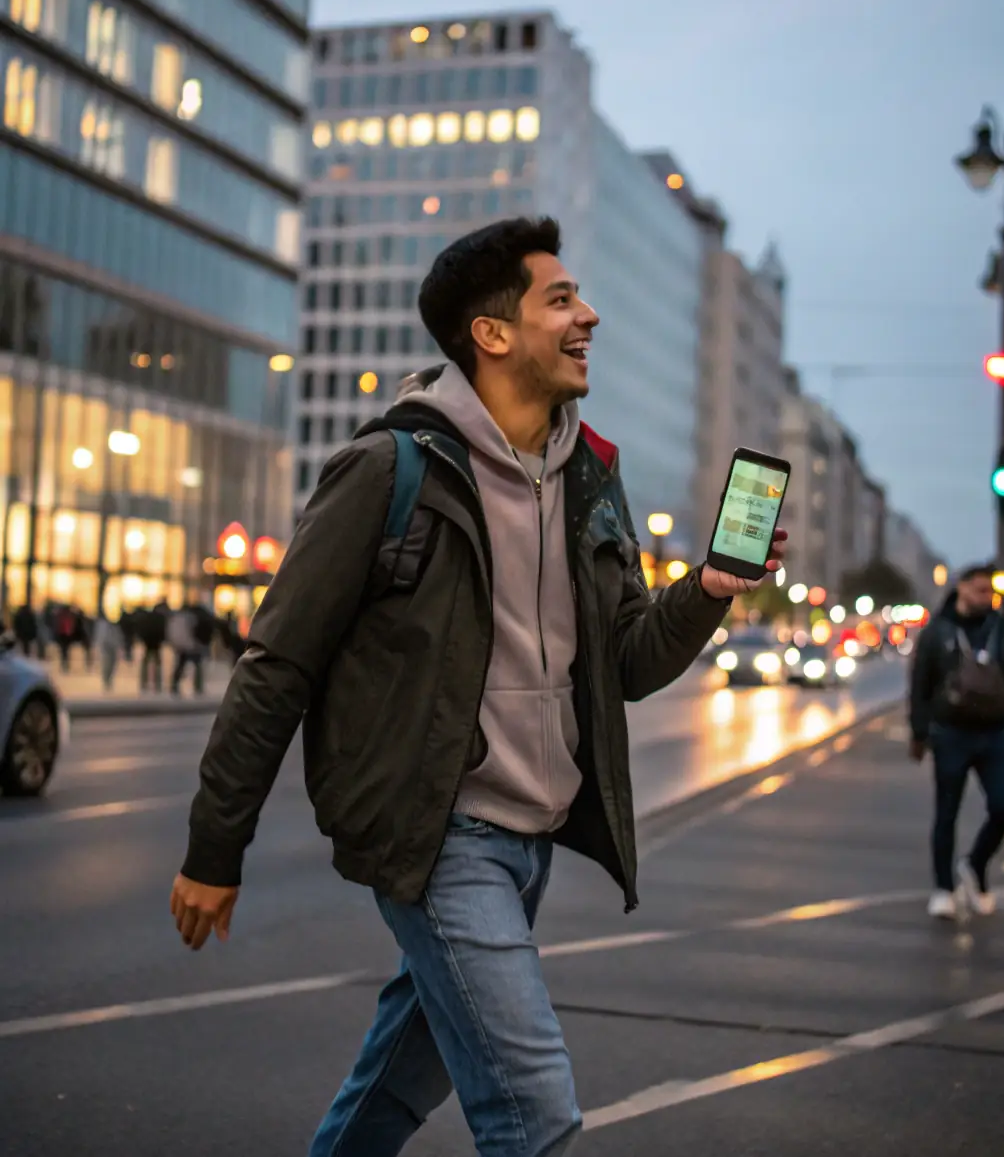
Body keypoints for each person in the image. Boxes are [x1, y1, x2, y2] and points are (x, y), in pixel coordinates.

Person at [170, 217, 786, 1157]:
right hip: (439, 835)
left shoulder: (589, 477)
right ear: (490, 334)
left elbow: (624, 662)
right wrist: (217, 846)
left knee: (391, 1093)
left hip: (528, 845)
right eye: (561, 299)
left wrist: (705, 591)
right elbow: (278, 661)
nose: (590, 316)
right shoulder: (388, 468)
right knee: (535, 1115)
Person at [910, 562, 1004, 918]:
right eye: (979, 590)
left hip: (997, 734)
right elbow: (920, 684)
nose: (985, 597)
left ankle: (974, 865)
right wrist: (919, 731)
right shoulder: (937, 632)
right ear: (961, 589)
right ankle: (944, 887)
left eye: (990, 592)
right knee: (947, 813)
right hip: (951, 734)